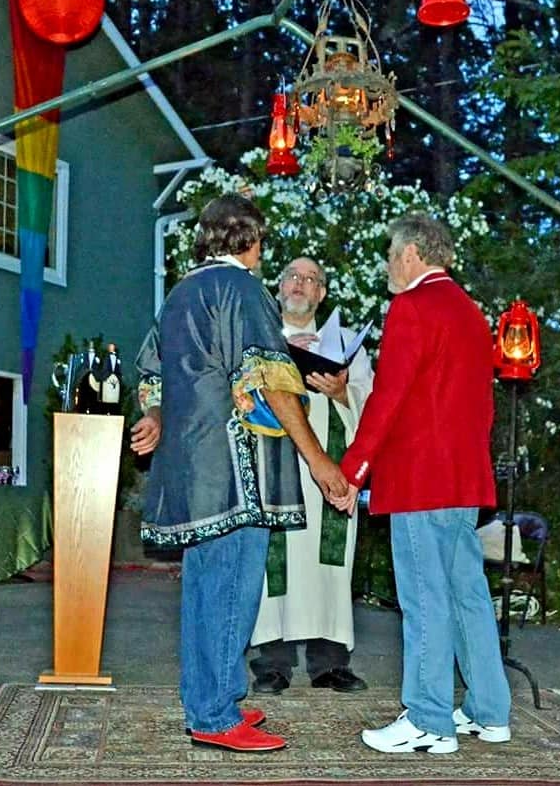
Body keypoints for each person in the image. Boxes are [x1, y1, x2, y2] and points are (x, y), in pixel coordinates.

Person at [130, 194, 349, 754]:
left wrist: (154, 417)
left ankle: (213, 695)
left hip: (193, 467)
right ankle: (214, 715)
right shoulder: (243, 290)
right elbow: (271, 381)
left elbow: (151, 375)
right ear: (251, 241)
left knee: (205, 589)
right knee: (230, 589)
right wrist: (318, 459)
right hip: (234, 469)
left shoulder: (179, 294)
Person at [338, 213, 511, 755]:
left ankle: (429, 719)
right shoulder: (470, 312)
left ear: (411, 254)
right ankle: (489, 711)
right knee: (468, 596)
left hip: (420, 480)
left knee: (425, 599)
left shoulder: (412, 307)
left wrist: (353, 469)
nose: (389, 266)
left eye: (392, 255)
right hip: (463, 479)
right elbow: (481, 407)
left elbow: (387, 399)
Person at [250, 257, 373, 694]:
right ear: (279, 287)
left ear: (321, 293)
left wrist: (341, 392)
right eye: (292, 277)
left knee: (329, 566)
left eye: (311, 279)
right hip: (276, 470)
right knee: (275, 567)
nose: (300, 284)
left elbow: (372, 404)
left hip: (330, 475)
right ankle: (272, 663)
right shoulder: (260, 339)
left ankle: (331, 663)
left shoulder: (346, 344)